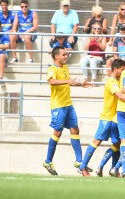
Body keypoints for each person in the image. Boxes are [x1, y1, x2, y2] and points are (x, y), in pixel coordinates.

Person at [78, 59, 125, 177]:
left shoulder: (119, 80)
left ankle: (113, 169)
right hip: (107, 117)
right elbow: (120, 95)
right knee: (97, 141)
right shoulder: (111, 82)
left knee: (117, 144)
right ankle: (82, 166)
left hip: (117, 118)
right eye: (122, 69)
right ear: (115, 69)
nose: (123, 72)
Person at [43, 46, 93, 176]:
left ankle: (79, 161)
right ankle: (48, 161)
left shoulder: (65, 68)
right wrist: (68, 81)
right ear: (56, 57)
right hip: (58, 105)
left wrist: (81, 84)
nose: (66, 56)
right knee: (57, 132)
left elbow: (68, 83)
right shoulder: (52, 69)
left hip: (68, 104)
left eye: (67, 54)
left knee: (75, 129)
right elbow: (52, 81)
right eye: (64, 55)